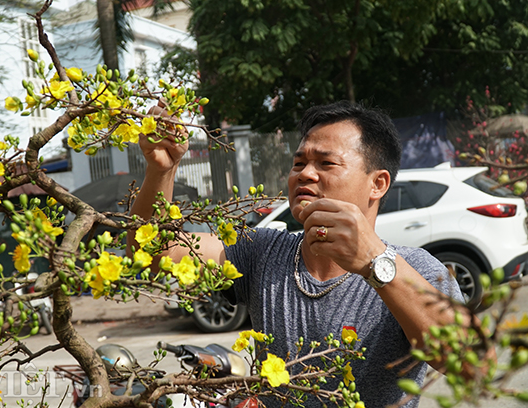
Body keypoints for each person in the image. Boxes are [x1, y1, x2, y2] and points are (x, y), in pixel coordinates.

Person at [130, 101, 466, 407]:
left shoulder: (416, 268)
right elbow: (153, 254)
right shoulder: (261, 252)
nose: (304, 173)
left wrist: (374, 261)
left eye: (326, 163)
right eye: (299, 162)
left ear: (377, 184)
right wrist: (162, 170)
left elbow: (471, 363)